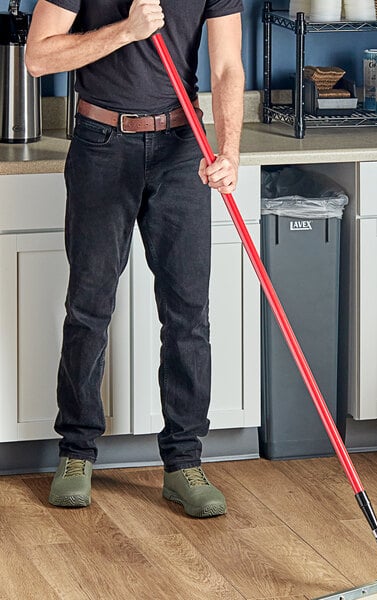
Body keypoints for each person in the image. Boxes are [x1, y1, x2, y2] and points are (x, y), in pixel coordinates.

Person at [25, 0, 244, 518]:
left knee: (188, 315)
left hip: (183, 146)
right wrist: (127, 29)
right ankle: (76, 453)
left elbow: (228, 66)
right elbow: (38, 57)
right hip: (102, 143)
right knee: (89, 308)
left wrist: (229, 149)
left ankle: (184, 462)